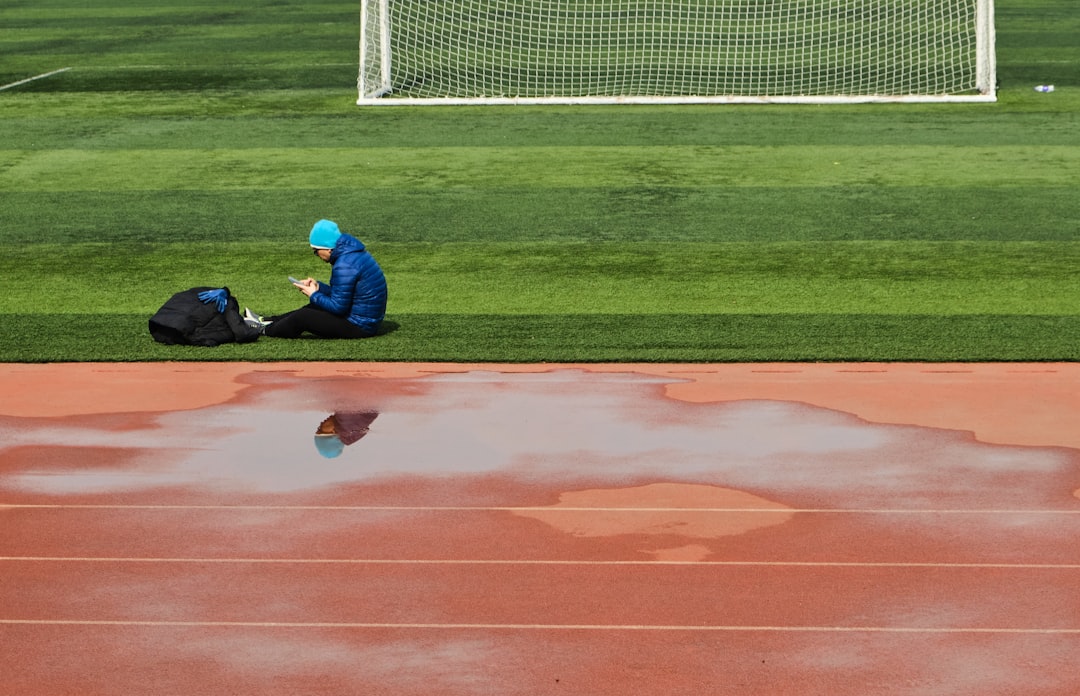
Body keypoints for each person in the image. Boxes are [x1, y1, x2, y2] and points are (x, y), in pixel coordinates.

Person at [245, 219, 387, 339]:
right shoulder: (352, 255)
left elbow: (338, 307)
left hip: (360, 326)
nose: (316, 255)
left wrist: (313, 294)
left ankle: (263, 330)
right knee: (313, 308)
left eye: (316, 251)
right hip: (364, 319)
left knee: (303, 317)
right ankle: (266, 321)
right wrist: (319, 288)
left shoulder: (344, 265)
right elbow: (343, 293)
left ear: (327, 248)